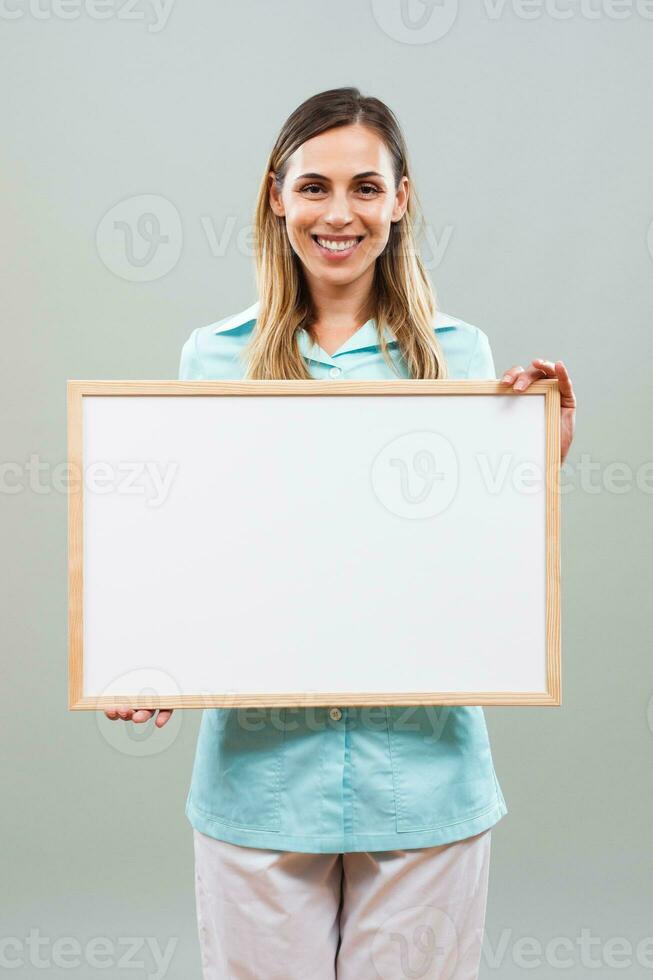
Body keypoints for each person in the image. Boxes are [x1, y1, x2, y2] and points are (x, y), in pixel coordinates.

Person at [105, 87, 576, 979]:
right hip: (260, 784)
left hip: (426, 781)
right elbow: (194, 554)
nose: (339, 213)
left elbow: (469, 568)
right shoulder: (212, 359)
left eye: (365, 187)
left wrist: (533, 474)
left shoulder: (461, 359)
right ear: (276, 196)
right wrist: (148, 653)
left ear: (400, 200)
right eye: (314, 186)